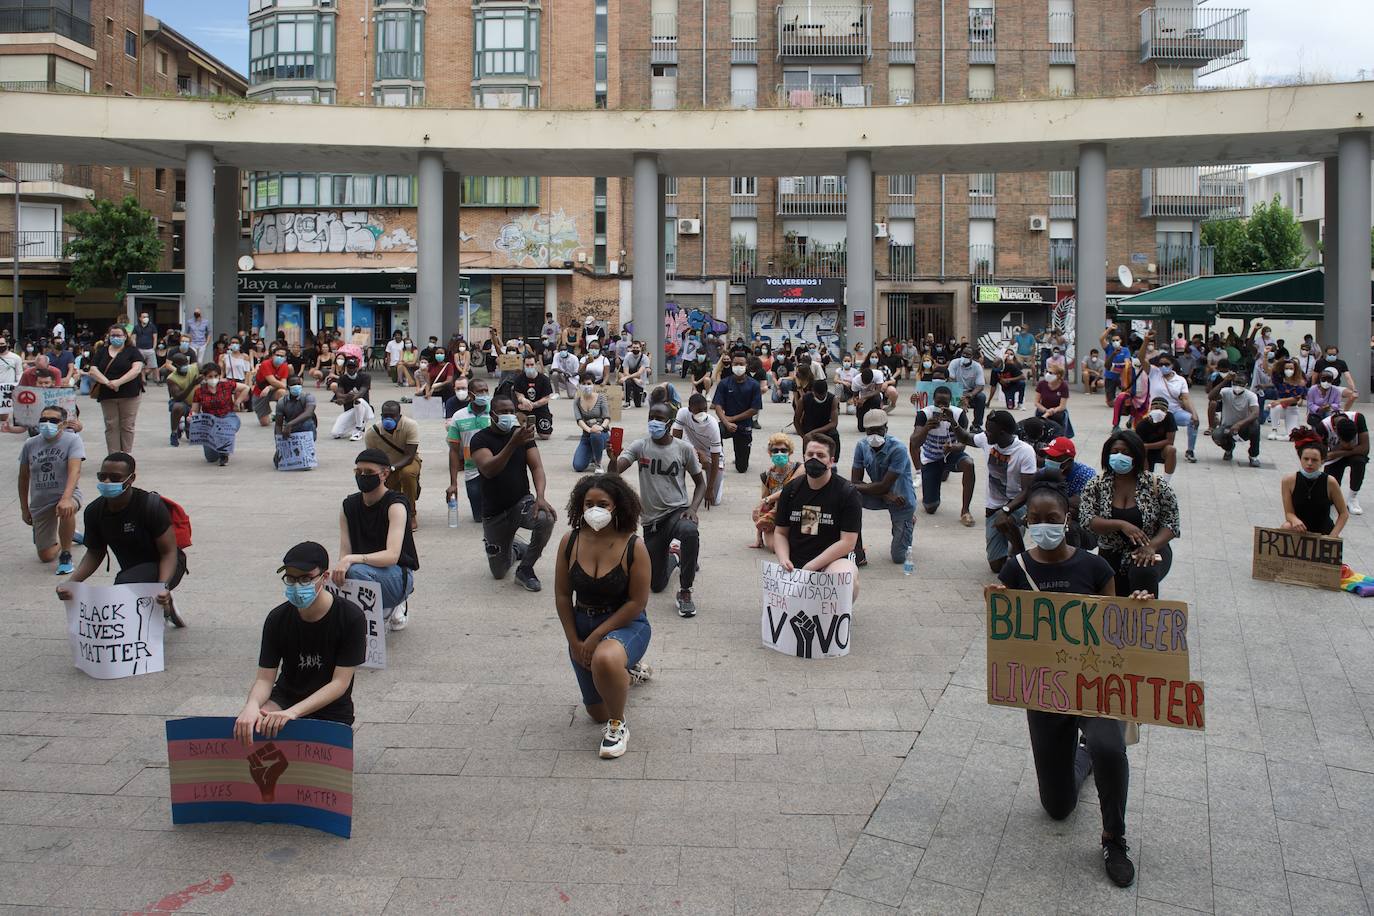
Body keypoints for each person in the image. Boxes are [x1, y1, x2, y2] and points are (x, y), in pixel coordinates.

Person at [994, 476, 1138, 889]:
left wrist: (1137, 610)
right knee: (1057, 807)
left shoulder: (1094, 567)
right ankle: (1084, 756)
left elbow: (1116, 630)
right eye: (1035, 518)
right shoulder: (1015, 570)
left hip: (1093, 685)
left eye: (1051, 518)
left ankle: (1114, 838)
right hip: (1044, 691)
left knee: (1111, 746)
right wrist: (995, 604)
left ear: (1067, 518)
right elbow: (1007, 638)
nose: (1044, 524)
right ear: (1026, 521)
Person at [553, 474, 652, 758]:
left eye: (603, 504)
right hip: (582, 623)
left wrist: (595, 637)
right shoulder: (569, 541)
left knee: (605, 659)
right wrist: (574, 640)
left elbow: (636, 602)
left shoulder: (634, 545)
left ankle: (618, 726)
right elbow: (562, 595)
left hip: (626, 624)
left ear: (617, 506)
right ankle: (627, 675)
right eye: (588, 503)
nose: (594, 510)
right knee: (596, 711)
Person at [234, 541, 367, 746]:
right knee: (251, 727)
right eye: (291, 578)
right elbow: (265, 678)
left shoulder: (351, 617)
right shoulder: (277, 619)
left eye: (305, 579)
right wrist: (252, 706)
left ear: (324, 577)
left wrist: (293, 713)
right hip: (285, 698)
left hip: (331, 707)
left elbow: (340, 683)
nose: (297, 585)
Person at [57, 452, 186, 627]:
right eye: (103, 476)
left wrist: (161, 586)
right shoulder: (95, 511)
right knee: (128, 584)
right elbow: (95, 552)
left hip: (169, 565)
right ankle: (163, 604)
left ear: (131, 479)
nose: (107, 482)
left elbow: (168, 553)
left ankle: (163, 603)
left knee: (125, 587)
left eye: (115, 477)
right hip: (133, 570)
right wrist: (71, 583)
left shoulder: (151, 506)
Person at [611, 402, 706, 618]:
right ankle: (675, 555)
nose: (654, 422)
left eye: (659, 418)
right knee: (656, 584)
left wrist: (693, 508)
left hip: (677, 512)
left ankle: (685, 591)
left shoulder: (683, 449)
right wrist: (612, 458)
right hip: (652, 521)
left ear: (670, 423)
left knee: (689, 532)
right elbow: (613, 474)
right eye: (651, 417)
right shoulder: (640, 446)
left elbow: (700, 483)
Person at [470, 393, 558, 591]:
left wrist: (541, 497)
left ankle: (525, 569)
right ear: (492, 414)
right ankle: (516, 548)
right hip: (494, 512)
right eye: (503, 412)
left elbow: (537, 468)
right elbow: (489, 470)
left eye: (511, 411)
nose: (508, 415)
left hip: (521, 503)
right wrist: (512, 444)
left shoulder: (522, 434)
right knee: (499, 572)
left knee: (545, 519)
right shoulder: (480, 439)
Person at [1080, 430, 1180, 597]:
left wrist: (1151, 546)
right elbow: (1086, 519)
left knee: (1143, 573)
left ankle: (1145, 619)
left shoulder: (1156, 484)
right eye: (1115, 452)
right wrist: (1121, 525)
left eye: (1126, 453)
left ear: (1137, 455)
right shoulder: (1096, 484)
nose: (1120, 456)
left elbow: (1171, 523)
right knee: (1110, 590)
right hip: (1110, 550)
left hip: (1151, 548)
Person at [334, 448, 418, 629]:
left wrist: (351, 560)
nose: (362, 476)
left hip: (397, 573)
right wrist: (342, 566)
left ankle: (391, 604)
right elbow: (345, 550)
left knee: (355, 570)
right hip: (363, 570)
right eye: (358, 472)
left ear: (384, 474)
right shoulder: (348, 506)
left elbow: (392, 556)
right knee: (340, 574)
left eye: (369, 472)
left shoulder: (395, 504)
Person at [772, 432, 862, 600]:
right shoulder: (791, 490)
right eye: (810, 454)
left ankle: (840, 612)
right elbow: (780, 532)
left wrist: (813, 566)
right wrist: (784, 559)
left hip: (833, 560)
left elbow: (848, 542)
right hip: (797, 560)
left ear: (831, 461)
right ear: (804, 457)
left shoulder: (847, 493)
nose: (814, 459)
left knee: (844, 577)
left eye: (821, 455)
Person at [951, 409, 1038, 573]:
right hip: (994, 507)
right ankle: (1008, 548)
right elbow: (964, 438)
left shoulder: (1025, 452)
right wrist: (952, 422)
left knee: (1005, 520)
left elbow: (1027, 491)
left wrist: (1006, 510)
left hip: (1018, 506)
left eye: (989, 430)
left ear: (1002, 432)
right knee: (996, 566)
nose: (985, 432)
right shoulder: (987, 439)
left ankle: (1021, 555)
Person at [18, 403, 84, 575]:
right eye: (43, 419)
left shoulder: (72, 440)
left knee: (66, 509)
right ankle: (67, 537)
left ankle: (66, 554)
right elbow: (24, 477)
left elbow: (75, 470)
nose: (47, 423)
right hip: (41, 501)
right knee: (45, 556)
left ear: (62, 423)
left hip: (67, 494)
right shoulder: (30, 444)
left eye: (53, 420)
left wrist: (66, 497)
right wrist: (25, 509)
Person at [850, 411, 916, 566]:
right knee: (850, 495)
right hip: (881, 494)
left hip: (901, 498)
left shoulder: (898, 448)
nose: (874, 435)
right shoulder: (861, 446)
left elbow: (884, 484)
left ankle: (909, 521)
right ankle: (856, 550)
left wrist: (884, 491)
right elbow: (855, 481)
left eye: (878, 430)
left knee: (899, 557)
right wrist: (885, 494)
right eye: (870, 431)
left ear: (886, 428)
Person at [909, 384, 976, 526]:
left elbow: (963, 443)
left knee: (969, 463)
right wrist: (926, 428)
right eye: (938, 402)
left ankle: (965, 510)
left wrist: (952, 444)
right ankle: (934, 480)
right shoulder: (924, 414)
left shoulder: (958, 414)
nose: (941, 406)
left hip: (951, 455)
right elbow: (914, 442)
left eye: (945, 403)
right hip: (931, 458)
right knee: (930, 507)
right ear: (933, 400)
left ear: (950, 402)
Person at [86, 324, 145, 454]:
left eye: (119, 335)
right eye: (113, 335)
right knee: (111, 425)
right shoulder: (102, 350)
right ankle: (113, 455)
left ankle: (126, 455)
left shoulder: (132, 351)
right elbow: (93, 369)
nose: (115, 337)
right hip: (107, 393)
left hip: (129, 393)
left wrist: (118, 382)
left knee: (127, 425)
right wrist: (108, 382)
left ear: (125, 337)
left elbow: (136, 369)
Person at [364, 401, 422, 530]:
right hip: (385, 466)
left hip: (408, 461)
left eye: (392, 416)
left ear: (399, 416)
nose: (388, 419)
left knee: (407, 474)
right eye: (385, 416)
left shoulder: (410, 425)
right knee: (385, 489)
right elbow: (372, 457)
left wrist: (392, 468)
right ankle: (384, 512)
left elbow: (409, 456)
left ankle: (411, 514)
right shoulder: (372, 433)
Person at [1280, 429, 1349, 536]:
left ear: (1322, 461)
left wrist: (1333, 535)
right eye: (1306, 459)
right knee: (1286, 527)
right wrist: (1294, 520)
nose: (1309, 463)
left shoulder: (1330, 482)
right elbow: (1288, 513)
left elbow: (1343, 513)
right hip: (1299, 529)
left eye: (1314, 460)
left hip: (1323, 530)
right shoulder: (1289, 481)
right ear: (1300, 459)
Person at [445, 377, 491, 522]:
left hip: (495, 469)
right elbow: (453, 450)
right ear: (470, 395)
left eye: (486, 391)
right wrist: (453, 483)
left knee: (494, 515)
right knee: (479, 517)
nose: (484, 394)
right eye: (480, 391)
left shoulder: (496, 412)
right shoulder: (458, 417)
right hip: (471, 471)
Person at [751, 433, 803, 550]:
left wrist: (766, 499)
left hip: (797, 512)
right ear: (770, 453)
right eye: (775, 450)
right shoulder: (767, 476)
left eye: (783, 450)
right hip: (778, 516)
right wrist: (759, 536)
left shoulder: (799, 468)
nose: (779, 453)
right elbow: (764, 507)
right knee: (774, 547)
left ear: (790, 452)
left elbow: (788, 489)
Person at [712, 352, 762, 473]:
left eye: (741, 364)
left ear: (746, 365)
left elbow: (754, 409)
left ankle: (740, 458)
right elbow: (717, 406)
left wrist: (732, 419)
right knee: (715, 430)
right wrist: (726, 422)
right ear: (731, 364)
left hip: (744, 426)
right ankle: (719, 459)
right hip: (726, 423)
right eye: (735, 364)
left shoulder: (754, 385)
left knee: (741, 468)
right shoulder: (724, 383)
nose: (738, 366)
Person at [673, 392, 725, 506]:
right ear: (690, 409)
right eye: (698, 410)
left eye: (704, 409)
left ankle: (717, 480)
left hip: (711, 455)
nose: (702, 413)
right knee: (676, 461)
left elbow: (715, 458)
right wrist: (692, 453)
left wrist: (710, 488)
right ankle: (677, 493)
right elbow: (675, 441)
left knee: (714, 501)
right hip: (690, 449)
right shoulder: (682, 413)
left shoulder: (713, 425)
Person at [190, 363, 247, 466]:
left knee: (226, 428)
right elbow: (195, 410)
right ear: (205, 377)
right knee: (211, 458)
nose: (213, 379)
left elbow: (245, 388)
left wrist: (237, 402)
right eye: (210, 376)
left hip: (227, 416)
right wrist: (192, 417)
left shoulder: (227, 385)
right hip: (209, 420)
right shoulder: (199, 391)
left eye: (216, 376)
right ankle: (217, 449)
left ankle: (224, 453)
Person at [1319, 412, 1369, 516]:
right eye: (1344, 441)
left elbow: (1365, 449)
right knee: (1329, 498)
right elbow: (1322, 455)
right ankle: (1333, 495)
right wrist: (1338, 451)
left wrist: (1340, 452)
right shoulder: (1323, 426)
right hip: (1336, 458)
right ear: (1336, 431)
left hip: (1352, 454)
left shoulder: (1358, 418)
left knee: (1359, 461)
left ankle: (1352, 498)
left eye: (1351, 440)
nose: (1348, 444)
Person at [1211, 375, 1262, 467]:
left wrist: (1239, 424)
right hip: (1227, 427)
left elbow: (1255, 413)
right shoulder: (1225, 391)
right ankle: (1229, 448)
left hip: (1243, 427)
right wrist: (1224, 381)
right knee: (1217, 435)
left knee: (1255, 426)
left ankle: (1253, 456)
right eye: (1235, 383)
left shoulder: (1251, 396)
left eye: (1241, 384)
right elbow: (1211, 396)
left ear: (1245, 385)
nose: (1238, 386)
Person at [572, 373, 612, 473]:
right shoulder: (577, 401)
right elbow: (579, 420)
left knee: (595, 435)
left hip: (601, 434)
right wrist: (590, 429)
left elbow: (607, 418)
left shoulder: (601, 398)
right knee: (578, 466)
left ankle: (598, 463)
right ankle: (592, 454)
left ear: (593, 384)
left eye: (589, 383)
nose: (586, 386)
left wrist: (601, 427)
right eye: (584, 383)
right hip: (586, 435)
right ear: (580, 385)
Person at [1132, 397, 1180, 482]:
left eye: (1162, 409)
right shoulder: (1142, 425)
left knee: (1171, 450)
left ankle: (1166, 482)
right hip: (1146, 453)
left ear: (1166, 411)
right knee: (1142, 452)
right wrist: (1145, 447)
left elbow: (1170, 441)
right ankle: (1147, 479)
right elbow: (1140, 447)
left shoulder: (1169, 418)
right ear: (1150, 409)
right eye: (1156, 408)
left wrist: (1148, 446)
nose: (1159, 411)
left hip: (1161, 450)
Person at [330, 356, 374, 441]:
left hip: (365, 409)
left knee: (358, 401)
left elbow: (360, 394)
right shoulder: (343, 378)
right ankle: (356, 425)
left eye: (353, 367)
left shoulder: (365, 377)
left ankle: (358, 429)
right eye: (349, 367)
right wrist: (345, 397)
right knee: (335, 433)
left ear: (357, 368)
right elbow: (339, 394)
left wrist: (344, 399)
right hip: (350, 411)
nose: (350, 369)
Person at [796, 375, 841, 457]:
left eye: (823, 395)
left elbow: (834, 423)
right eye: (818, 395)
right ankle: (807, 461)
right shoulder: (803, 399)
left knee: (834, 435)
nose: (821, 397)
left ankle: (833, 462)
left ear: (826, 391)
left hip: (825, 428)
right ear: (813, 391)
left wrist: (813, 432)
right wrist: (802, 435)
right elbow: (796, 420)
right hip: (809, 427)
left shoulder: (833, 399)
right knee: (807, 440)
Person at [946, 345, 988, 433]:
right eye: (963, 353)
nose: (965, 356)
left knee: (981, 397)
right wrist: (960, 396)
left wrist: (969, 396)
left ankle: (976, 425)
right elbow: (950, 380)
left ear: (972, 357)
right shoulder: (954, 363)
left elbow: (980, 386)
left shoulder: (977, 367)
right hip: (955, 391)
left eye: (968, 354)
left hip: (970, 393)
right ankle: (954, 424)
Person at [514, 354, 555, 439]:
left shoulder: (544, 379)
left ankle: (546, 419)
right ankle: (528, 426)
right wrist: (523, 400)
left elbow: (546, 398)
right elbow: (519, 395)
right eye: (527, 365)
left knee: (545, 436)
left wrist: (534, 404)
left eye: (532, 365)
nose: (529, 367)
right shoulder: (519, 379)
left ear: (536, 364)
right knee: (527, 433)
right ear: (523, 365)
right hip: (525, 408)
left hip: (540, 408)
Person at [251, 344, 291, 427]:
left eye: (282, 356)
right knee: (265, 423)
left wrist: (269, 387)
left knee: (282, 393)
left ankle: (281, 415)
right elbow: (273, 381)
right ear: (272, 355)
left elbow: (283, 385)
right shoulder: (265, 364)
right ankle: (272, 417)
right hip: (260, 393)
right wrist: (273, 385)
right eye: (277, 355)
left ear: (285, 358)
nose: (279, 357)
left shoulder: (284, 366)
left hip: (272, 391)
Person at [164, 352, 199, 447]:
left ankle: (186, 427)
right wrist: (192, 384)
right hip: (181, 402)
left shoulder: (194, 368)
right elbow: (178, 397)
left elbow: (206, 368)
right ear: (175, 365)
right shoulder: (171, 379)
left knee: (192, 437)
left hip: (195, 404)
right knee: (177, 407)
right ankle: (174, 432)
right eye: (182, 364)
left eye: (186, 363)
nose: (185, 366)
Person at [1033, 364, 1073, 437]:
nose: (1048, 374)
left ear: (1058, 375)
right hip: (1042, 409)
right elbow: (1036, 402)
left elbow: (1062, 406)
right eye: (1047, 372)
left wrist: (1051, 411)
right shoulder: (1041, 384)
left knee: (1059, 418)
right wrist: (1045, 410)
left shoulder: (1063, 386)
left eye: (1051, 373)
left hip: (1057, 411)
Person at [1100, 325, 1131, 407]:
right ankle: (1114, 400)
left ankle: (1120, 399)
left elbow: (1127, 362)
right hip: (1110, 376)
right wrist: (1109, 329)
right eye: (1113, 340)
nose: (1115, 342)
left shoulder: (1125, 350)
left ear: (1121, 340)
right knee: (1110, 404)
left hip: (1121, 377)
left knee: (1126, 398)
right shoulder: (1109, 348)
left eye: (1117, 340)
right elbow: (1101, 339)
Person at [621, 340, 650, 409]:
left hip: (640, 380)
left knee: (638, 405)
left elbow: (639, 373)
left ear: (640, 348)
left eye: (637, 348)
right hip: (633, 378)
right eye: (634, 347)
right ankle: (627, 402)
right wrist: (634, 379)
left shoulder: (645, 358)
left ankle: (643, 394)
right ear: (631, 348)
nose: (635, 349)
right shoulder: (627, 357)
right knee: (627, 382)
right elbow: (625, 372)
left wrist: (635, 379)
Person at [132, 312, 159, 383]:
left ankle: (157, 379)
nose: (145, 318)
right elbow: (134, 338)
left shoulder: (152, 327)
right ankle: (143, 380)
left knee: (154, 365)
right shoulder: (136, 327)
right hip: (139, 349)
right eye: (144, 317)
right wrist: (135, 349)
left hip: (150, 349)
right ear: (140, 318)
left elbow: (155, 338)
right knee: (142, 366)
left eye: (147, 316)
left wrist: (154, 347)